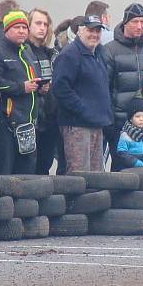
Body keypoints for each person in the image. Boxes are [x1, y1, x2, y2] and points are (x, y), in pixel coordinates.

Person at [102, 3, 143, 170]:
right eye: (135, 21)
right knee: (122, 173)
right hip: (120, 123)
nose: (140, 26)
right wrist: (110, 123)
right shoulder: (109, 51)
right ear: (125, 22)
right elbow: (104, 89)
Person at [51, 15, 113, 173]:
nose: (95, 34)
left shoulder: (98, 53)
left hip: (96, 124)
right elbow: (60, 88)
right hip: (77, 126)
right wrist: (82, 109)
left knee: (96, 176)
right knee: (79, 175)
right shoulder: (69, 55)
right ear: (80, 31)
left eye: (98, 30)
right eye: (90, 30)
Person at [0, 11, 42, 174]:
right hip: (7, 124)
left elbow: (34, 79)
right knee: (6, 170)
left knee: (27, 171)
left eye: (24, 27)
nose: (21, 31)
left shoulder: (28, 51)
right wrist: (21, 87)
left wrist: (41, 87)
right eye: (17, 27)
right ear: (6, 30)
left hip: (29, 123)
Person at [27, 8, 59, 175]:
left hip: (49, 117)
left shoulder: (51, 53)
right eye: (38, 23)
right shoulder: (24, 51)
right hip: (32, 118)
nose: (42, 28)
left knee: (45, 165)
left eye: (45, 24)